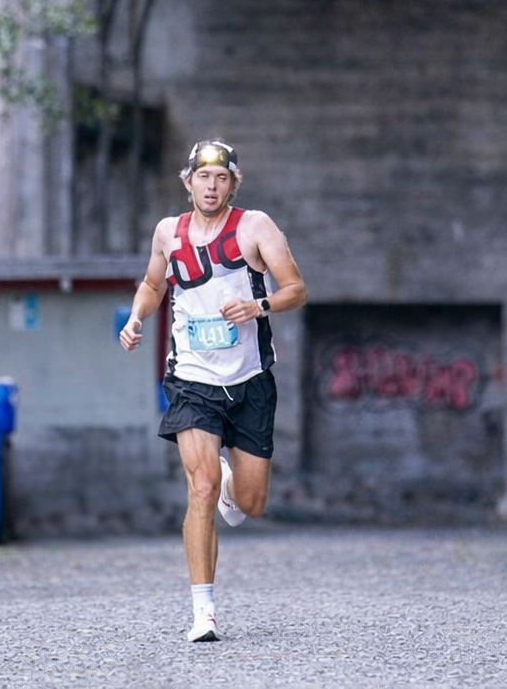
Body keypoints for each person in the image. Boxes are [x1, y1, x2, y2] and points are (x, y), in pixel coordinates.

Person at [119, 139, 308, 643]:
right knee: (198, 487)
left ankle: (232, 486)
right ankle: (203, 611)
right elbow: (154, 284)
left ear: (233, 183)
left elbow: (296, 288)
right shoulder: (168, 233)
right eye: (203, 178)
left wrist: (258, 306)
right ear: (188, 183)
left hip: (249, 381)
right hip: (192, 379)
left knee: (251, 503)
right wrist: (137, 318)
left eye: (222, 178)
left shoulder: (255, 227)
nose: (212, 186)